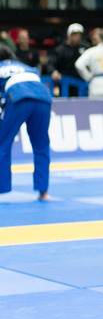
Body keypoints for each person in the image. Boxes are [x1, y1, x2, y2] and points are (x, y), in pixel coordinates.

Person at [0, 44, 51, 201]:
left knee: (3, 144)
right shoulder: (26, 66)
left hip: (18, 96)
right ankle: (43, 192)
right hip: (43, 96)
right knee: (41, 144)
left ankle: (2, 188)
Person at [49, 23, 88, 97]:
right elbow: (51, 64)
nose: (77, 37)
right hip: (65, 85)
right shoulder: (60, 50)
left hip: (81, 83)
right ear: (69, 35)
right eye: (75, 35)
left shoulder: (85, 47)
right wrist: (54, 72)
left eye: (79, 35)